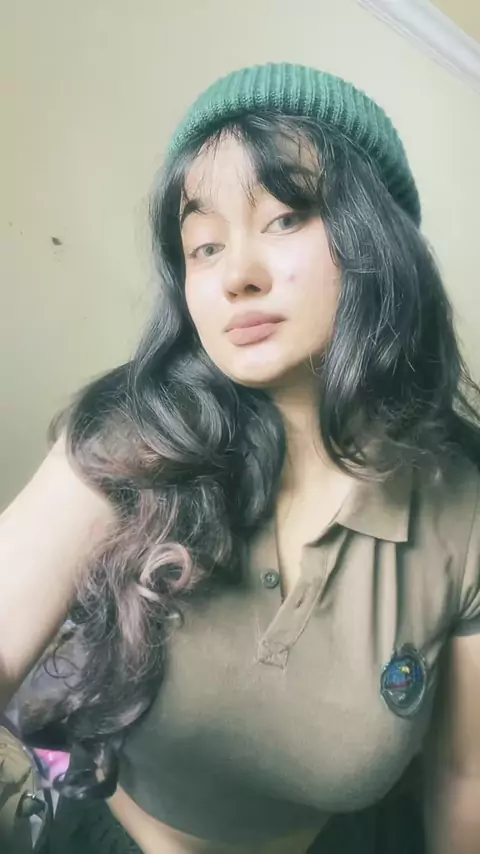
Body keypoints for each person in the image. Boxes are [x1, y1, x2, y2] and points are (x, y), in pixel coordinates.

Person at [1, 61, 480, 854]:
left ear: (380, 236)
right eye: (204, 245)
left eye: (286, 218)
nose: (236, 276)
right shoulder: (135, 434)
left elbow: (464, 779)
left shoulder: (462, 512)